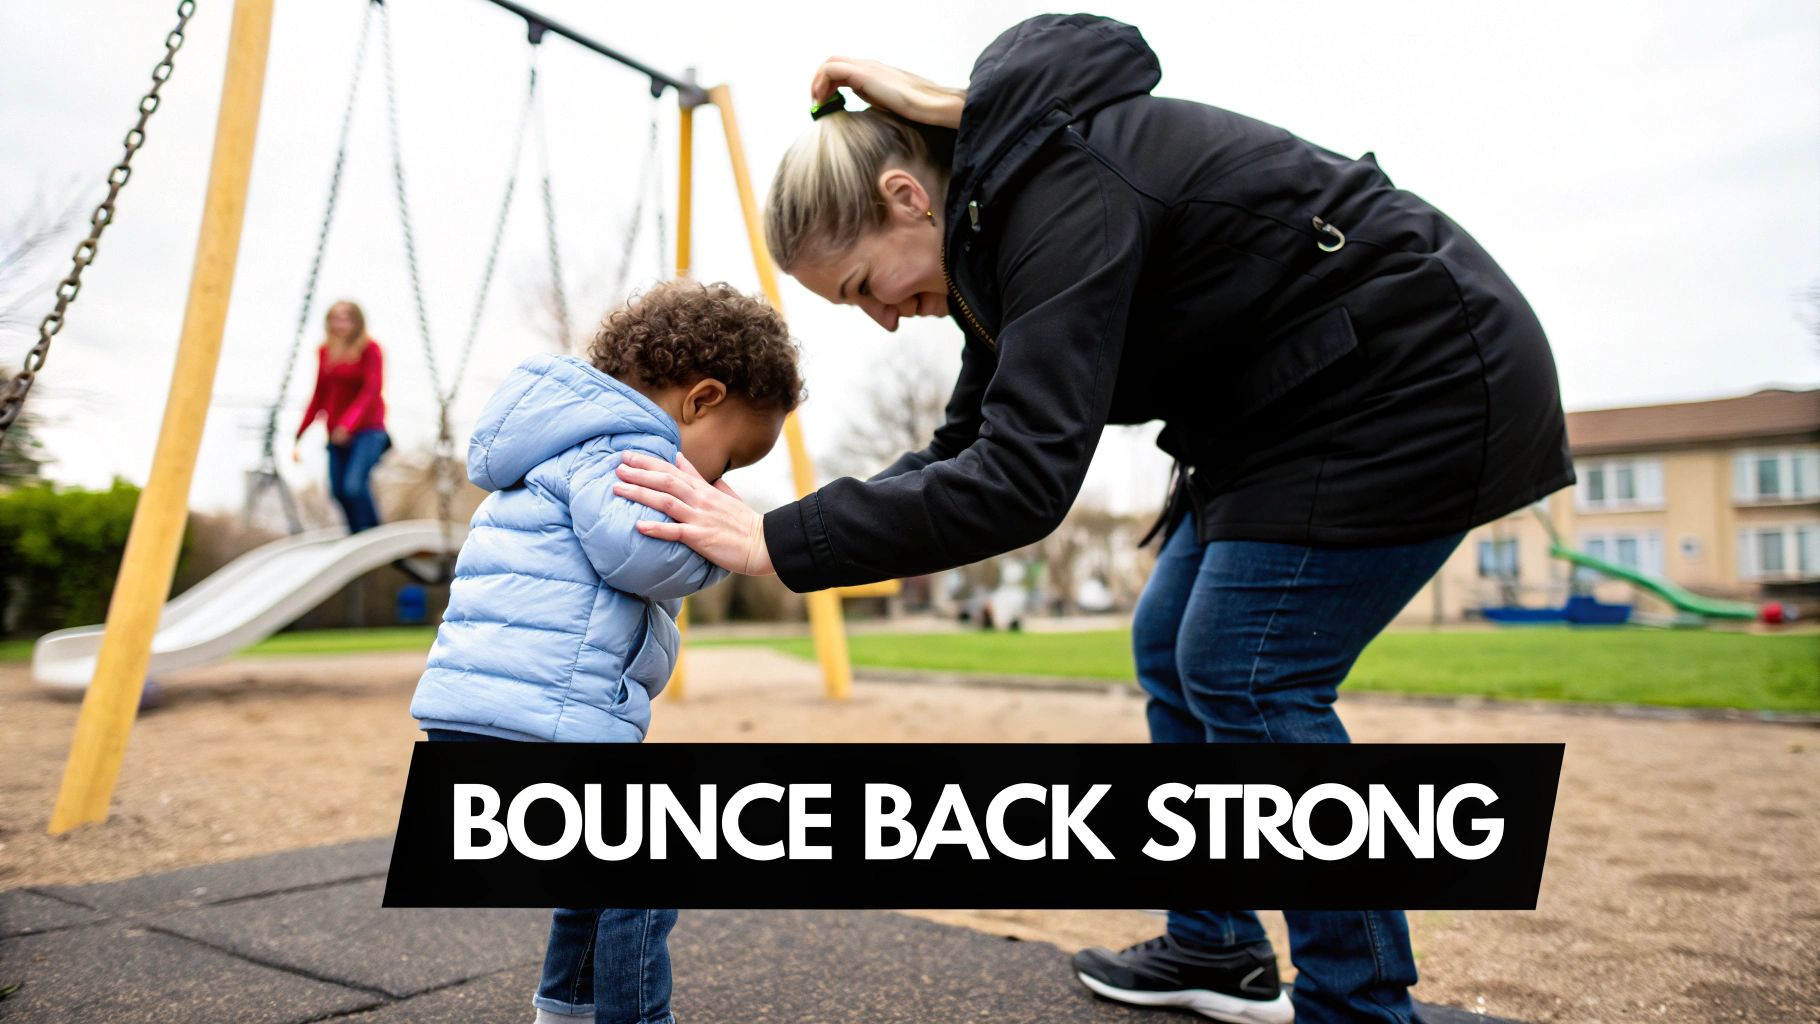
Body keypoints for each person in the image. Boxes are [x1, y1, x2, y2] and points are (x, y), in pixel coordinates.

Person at [609, 14, 1574, 1024]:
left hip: (1411, 378)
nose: (885, 318)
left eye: (863, 288)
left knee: (1244, 669)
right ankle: (1217, 941)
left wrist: (773, 544)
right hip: (1292, 405)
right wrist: (786, 524)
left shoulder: (1057, 200)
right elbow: (965, 449)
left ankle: (1357, 1004)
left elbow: (1024, 479)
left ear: (905, 197)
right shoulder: (999, 232)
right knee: (1172, 645)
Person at [409, 279, 801, 1024]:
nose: (717, 484)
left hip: (500, 715)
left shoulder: (573, 437)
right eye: (727, 463)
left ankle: (567, 1011)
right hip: (534, 721)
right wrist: (727, 542)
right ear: (701, 400)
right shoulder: (620, 445)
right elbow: (639, 556)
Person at [293, 300, 390, 533]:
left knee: (354, 486)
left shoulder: (370, 349)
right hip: (335, 433)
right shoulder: (325, 352)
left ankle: (373, 531)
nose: (341, 324)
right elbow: (319, 395)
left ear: (357, 322)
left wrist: (349, 423)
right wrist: (300, 433)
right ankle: (356, 531)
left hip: (368, 430)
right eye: (335, 318)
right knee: (337, 490)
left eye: (347, 318)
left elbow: (371, 389)